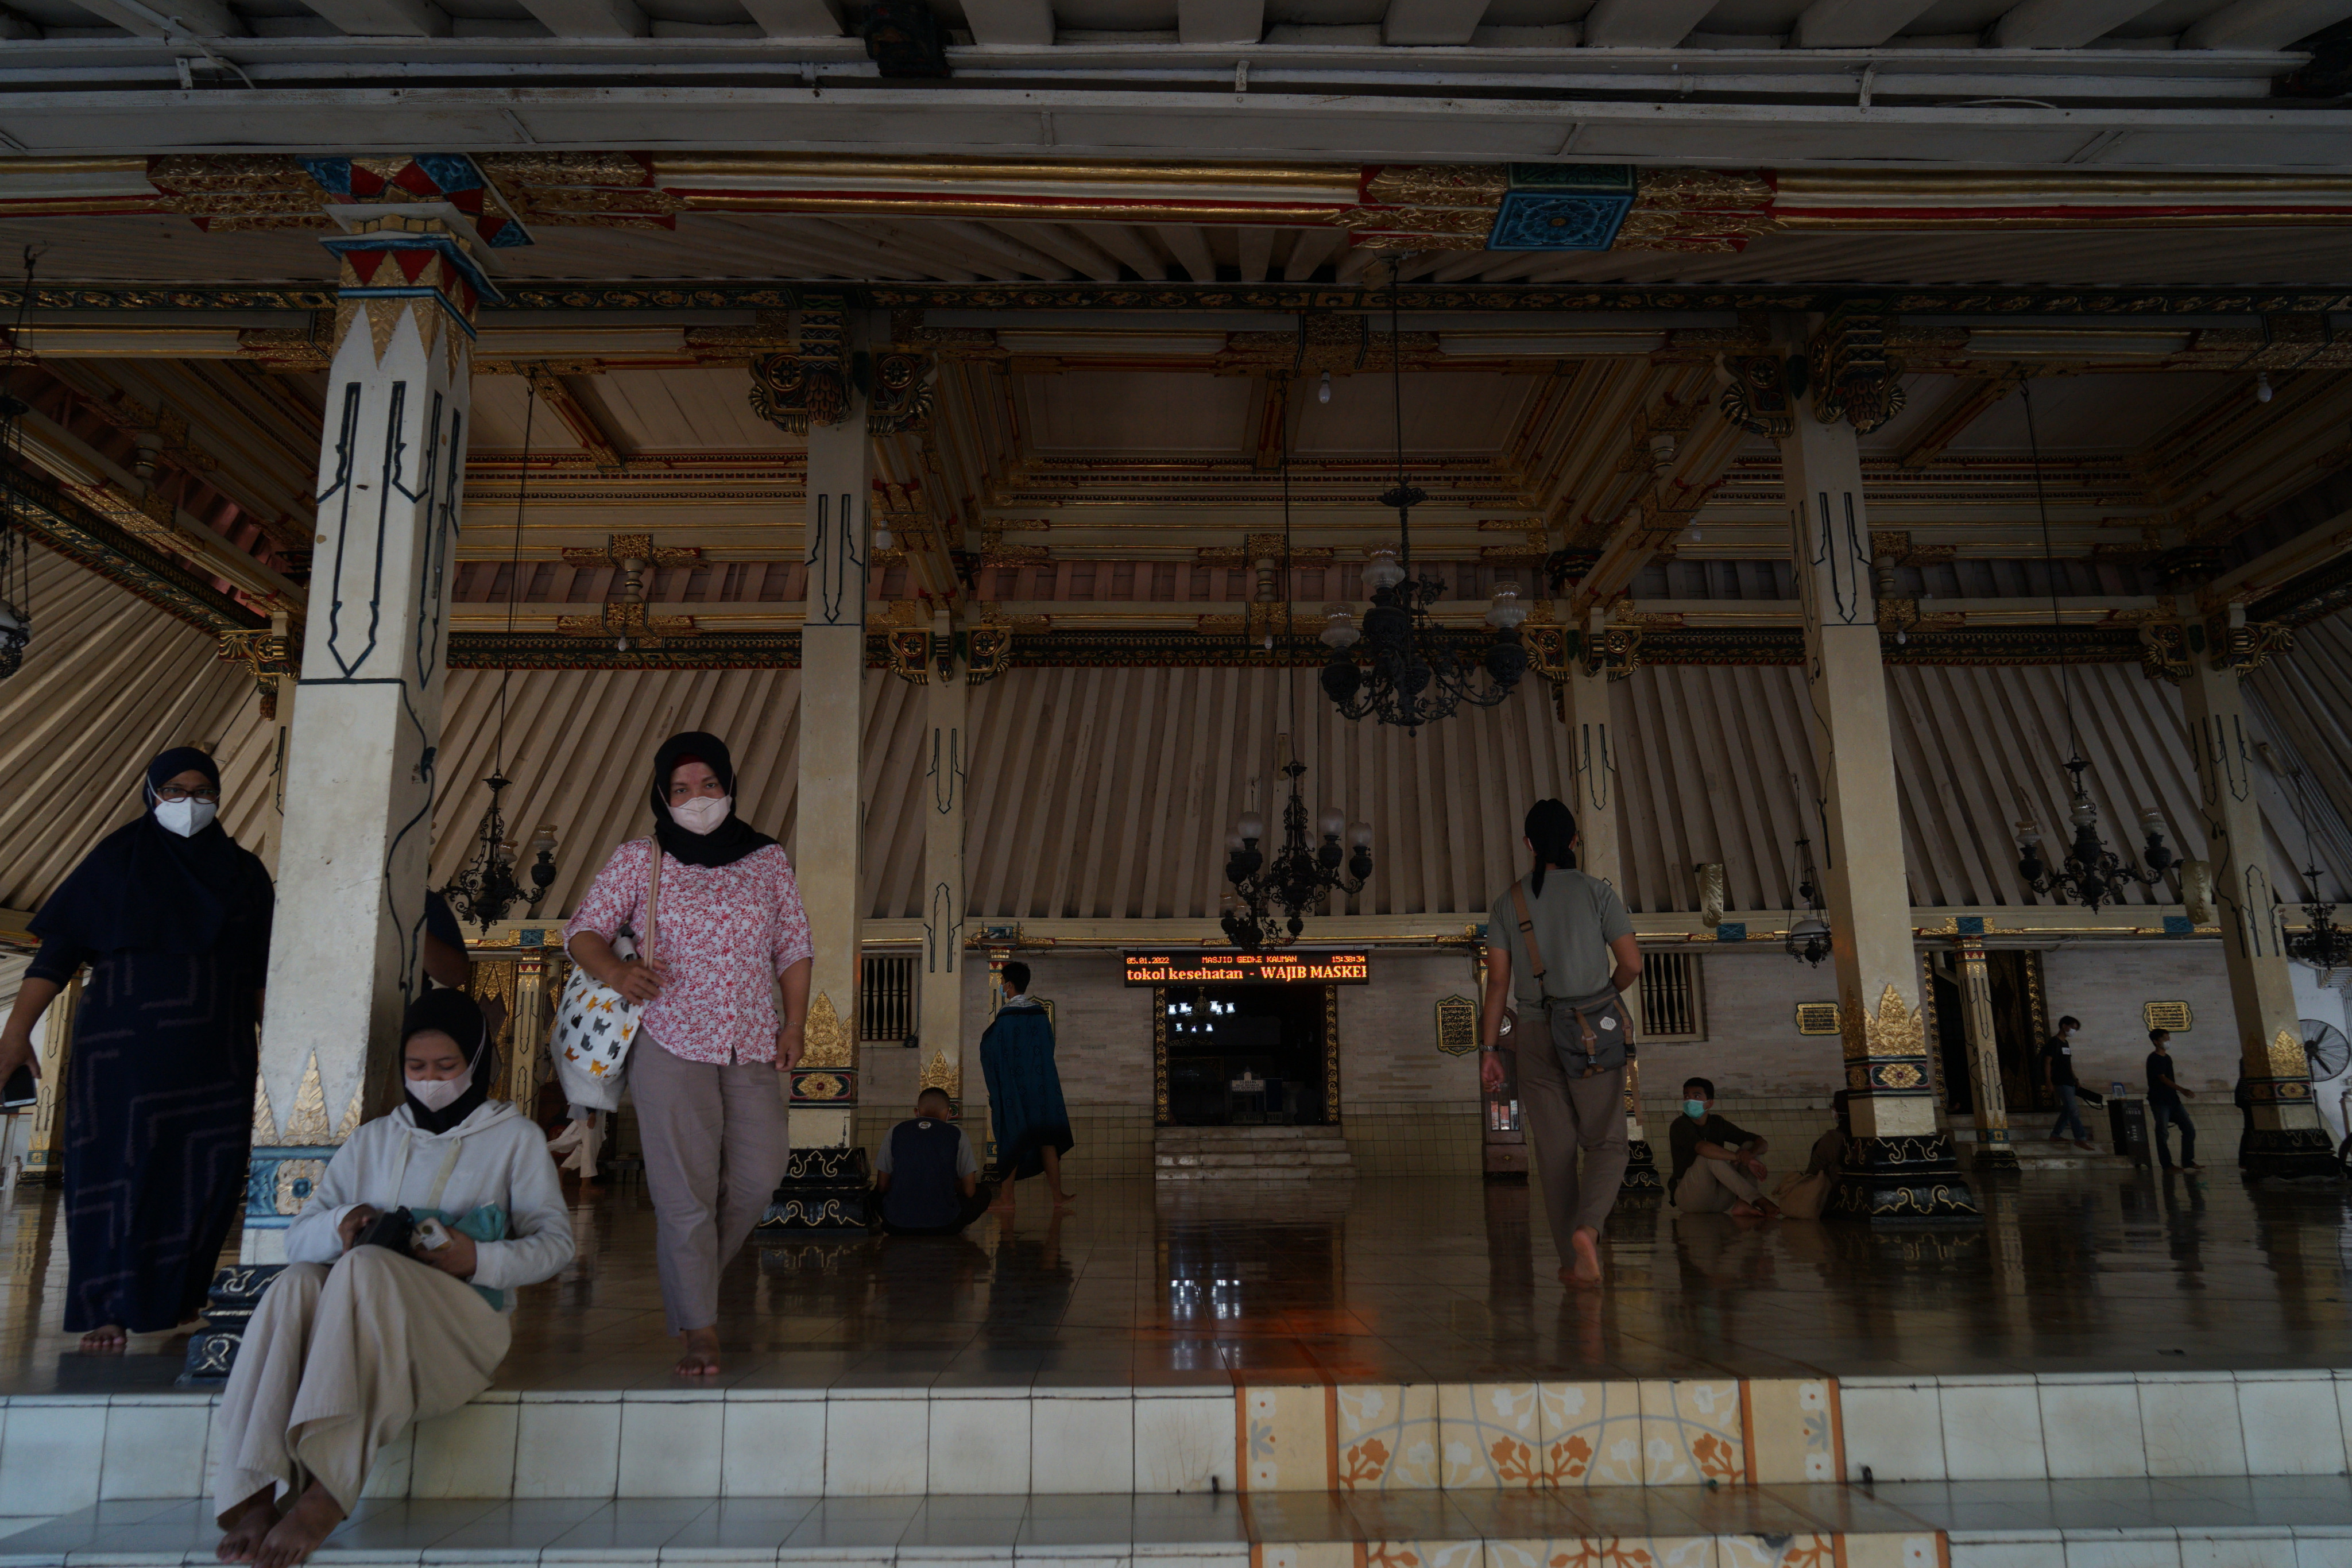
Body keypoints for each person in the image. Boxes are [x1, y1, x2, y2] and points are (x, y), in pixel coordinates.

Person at [212, 989, 572, 1568]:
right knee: (297, 1282)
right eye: (417, 1066)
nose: (430, 1080)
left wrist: (477, 1258)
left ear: (477, 1062)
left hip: (458, 1331)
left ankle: (327, 1491)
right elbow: (298, 1238)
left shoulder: (514, 1138)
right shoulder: (374, 1139)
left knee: (367, 1267)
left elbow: (555, 1245)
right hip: (362, 1321)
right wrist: (343, 1222)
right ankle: (254, 1493)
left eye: (446, 1066)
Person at [0, 746, 274, 1354]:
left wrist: (278, 1051)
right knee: (114, 1170)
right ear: (151, 794)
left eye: (203, 791)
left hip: (216, 1051)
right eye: (175, 790)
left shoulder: (244, 873)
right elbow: (58, 954)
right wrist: (16, 1032)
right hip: (122, 1048)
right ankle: (107, 1309)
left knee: (203, 1173)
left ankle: (179, 1299)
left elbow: (260, 971)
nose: (190, 802)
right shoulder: (116, 859)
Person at [564, 731, 811, 1377]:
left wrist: (795, 1023)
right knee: (685, 1192)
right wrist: (617, 973)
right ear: (662, 796)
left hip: (751, 1039)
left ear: (729, 786)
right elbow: (583, 930)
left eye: (708, 785)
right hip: (669, 1038)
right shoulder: (640, 858)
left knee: (760, 1174)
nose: (697, 799)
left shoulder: (766, 859)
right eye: (680, 789)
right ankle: (700, 1329)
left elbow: (793, 945)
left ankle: (693, 1279)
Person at [1479, 798, 1641, 1289]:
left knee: (1554, 1154)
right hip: (1591, 1030)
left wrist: (1489, 1051)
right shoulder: (1598, 892)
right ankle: (1587, 1231)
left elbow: (1498, 983)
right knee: (1607, 1141)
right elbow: (1632, 964)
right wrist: (1604, 996)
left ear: (1528, 844)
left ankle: (1573, 1262)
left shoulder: (1508, 902)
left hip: (1533, 1033)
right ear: (1575, 840)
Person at [980, 962, 1074, 1213]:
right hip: (1042, 1088)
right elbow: (1048, 1047)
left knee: (1012, 1138)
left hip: (1014, 1090)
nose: (1002, 986)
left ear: (1010, 984)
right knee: (1047, 1140)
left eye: (1002, 982)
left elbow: (992, 1051)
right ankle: (1058, 1196)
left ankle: (1007, 1198)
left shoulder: (1005, 1018)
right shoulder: (1040, 1014)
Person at [876, 1088, 995, 1234]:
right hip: (945, 1225)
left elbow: (882, 1186)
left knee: (873, 1194)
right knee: (983, 1192)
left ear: (916, 1112)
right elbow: (970, 1191)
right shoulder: (957, 1134)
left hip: (897, 1224)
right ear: (949, 1113)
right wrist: (947, 1184)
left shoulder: (895, 1131)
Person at [1669, 1078, 1778, 1218]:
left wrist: (1749, 1155)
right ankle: (1759, 1200)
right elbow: (1703, 1148)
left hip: (1721, 1199)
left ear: (1710, 1103)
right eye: (1686, 1097)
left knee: (1749, 1146)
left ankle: (1743, 1203)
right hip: (1691, 1198)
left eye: (1696, 1097)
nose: (1690, 1101)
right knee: (1708, 1156)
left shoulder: (1717, 1123)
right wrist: (1739, 1157)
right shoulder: (1680, 1125)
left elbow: (1761, 1143)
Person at [2146, 1028, 2199, 1171]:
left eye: (2168, 1038)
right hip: (2160, 1101)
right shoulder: (2154, 1058)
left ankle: (2187, 1161)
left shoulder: (2167, 1058)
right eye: (2165, 1039)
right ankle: (2167, 1164)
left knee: (2189, 1129)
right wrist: (2182, 1090)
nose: (2168, 1041)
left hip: (2173, 1100)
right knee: (2162, 1132)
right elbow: (2162, 1078)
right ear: (2156, 1042)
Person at [2042, 1015, 2095, 1150]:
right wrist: (2048, 1081)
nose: (2073, 1031)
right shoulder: (2054, 1042)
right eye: (2072, 1028)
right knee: (2073, 1110)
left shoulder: (2066, 1043)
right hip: (2060, 1081)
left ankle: (2055, 1134)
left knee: (2067, 1110)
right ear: (2064, 1026)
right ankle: (2080, 1138)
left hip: (2069, 1081)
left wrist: (2075, 1078)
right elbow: (2047, 1062)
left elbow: (2068, 1064)